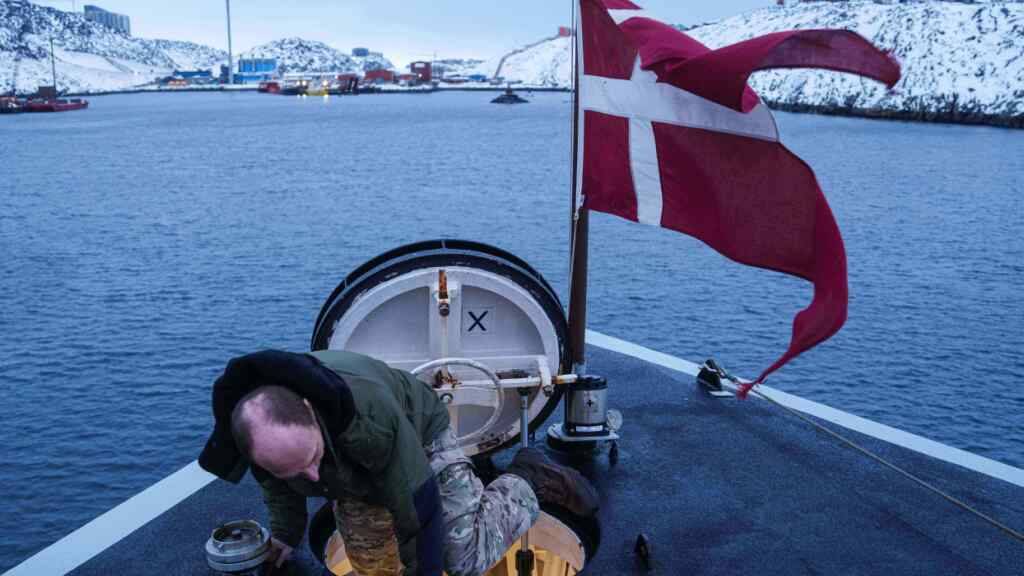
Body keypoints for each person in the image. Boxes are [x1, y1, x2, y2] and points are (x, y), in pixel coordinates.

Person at [199, 348, 599, 576]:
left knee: (462, 557)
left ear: (309, 410)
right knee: (372, 565)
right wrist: (285, 535)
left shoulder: (370, 421)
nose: (311, 477)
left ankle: (529, 477)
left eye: (311, 458)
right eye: (295, 472)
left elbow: (418, 511)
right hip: (349, 463)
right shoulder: (254, 433)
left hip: (418, 433)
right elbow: (277, 487)